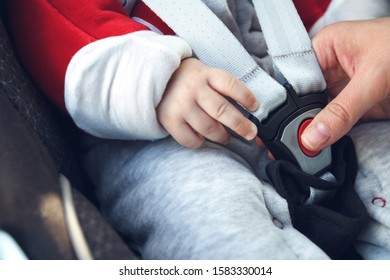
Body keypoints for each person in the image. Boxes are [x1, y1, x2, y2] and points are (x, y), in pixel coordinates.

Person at [4, 0, 390, 259]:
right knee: (219, 228)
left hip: (309, 82)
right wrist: (159, 77)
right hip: (160, 125)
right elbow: (55, 17)